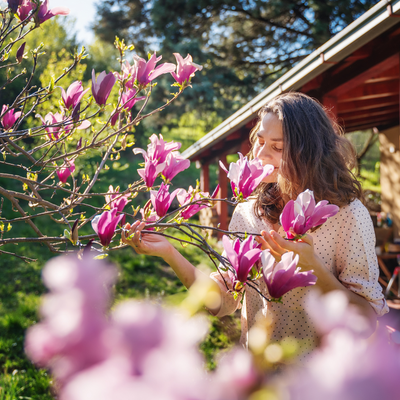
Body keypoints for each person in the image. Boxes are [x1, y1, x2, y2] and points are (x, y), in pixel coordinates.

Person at [122, 92, 388, 356]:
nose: (260, 154)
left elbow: (366, 320)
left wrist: (313, 268)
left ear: (310, 153)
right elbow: (223, 301)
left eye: (278, 147)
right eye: (259, 141)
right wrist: (169, 252)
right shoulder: (249, 213)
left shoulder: (348, 216)